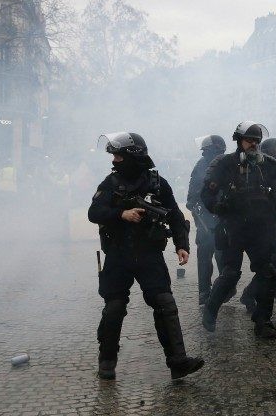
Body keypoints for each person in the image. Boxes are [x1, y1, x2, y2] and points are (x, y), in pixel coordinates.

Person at [88, 132, 203, 380]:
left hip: (149, 254)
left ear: (133, 156)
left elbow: (174, 215)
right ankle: (106, 362)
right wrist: (122, 214)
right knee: (114, 308)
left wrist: (181, 245)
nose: (115, 160)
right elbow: (94, 212)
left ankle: (178, 362)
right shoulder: (111, 182)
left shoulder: (157, 184)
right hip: (118, 255)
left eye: (119, 156)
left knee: (165, 305)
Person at [200, 122, 276, 339]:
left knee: (267, 273)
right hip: (233, 227)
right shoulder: (224, 164)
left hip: (260, 228)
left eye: (257, 141)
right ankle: (211, 310)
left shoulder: (266, 163)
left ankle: (263, 321)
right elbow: (207, 194)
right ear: (238, 140)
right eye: (249, 140)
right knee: (231, 274)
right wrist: (217, 208)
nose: (253, 144)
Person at [239, 138, 276, 321]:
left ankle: (249, 294)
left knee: (271, 267)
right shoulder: (260, 172)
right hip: (264, 228)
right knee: (273, 265)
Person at [186, 135, 226, 305]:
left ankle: (221, 289)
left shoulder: (224, 165)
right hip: (207, 218)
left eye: (206, 151)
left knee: (220, 254)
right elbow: (192, 196)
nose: (204, 154)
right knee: (208, 254)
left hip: (221, 216)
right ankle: (206, 291)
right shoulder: (204, 165)